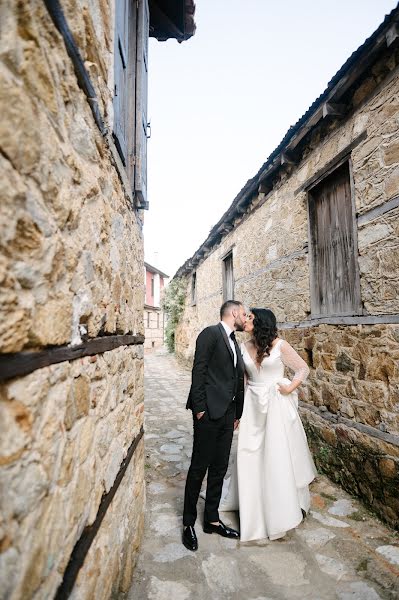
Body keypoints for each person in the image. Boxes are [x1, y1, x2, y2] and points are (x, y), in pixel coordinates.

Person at [220, 308, 317, 542]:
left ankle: (280, 509)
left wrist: (289, 388)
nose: (246, 319)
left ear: (262, 322)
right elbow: (242, 382)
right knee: (250, 454)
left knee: (276, 455)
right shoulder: (244, 347)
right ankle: (253, 508)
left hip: (276, 405)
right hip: (252, 406)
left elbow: (302, 368)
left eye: (251, 317)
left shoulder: (280, 345)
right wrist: (237, 412)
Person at [182, 300, 247, 551]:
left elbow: (234, 377)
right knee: (199, 467)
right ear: (233, 313)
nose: (244, 317)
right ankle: (188, 522)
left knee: (220, 467)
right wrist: (199, 409)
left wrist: (237, 410)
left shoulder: (235, 341)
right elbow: (199, 371)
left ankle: (211, 519)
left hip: (228, 414)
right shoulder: (210, 334)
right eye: (242, 313)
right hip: (208, 413)